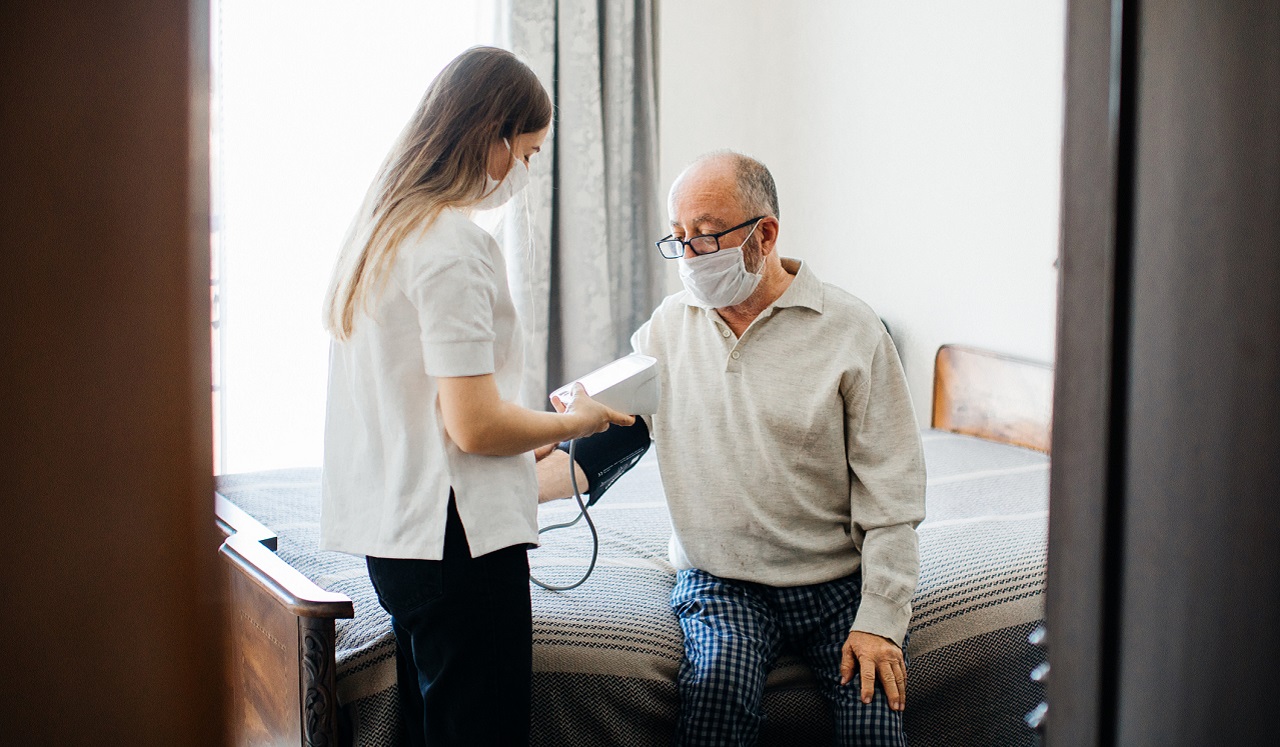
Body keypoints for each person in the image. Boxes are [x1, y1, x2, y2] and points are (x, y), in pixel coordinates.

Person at [539, 151, 925, 746]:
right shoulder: (668, 327)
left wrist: (882, 619)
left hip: (837, 583)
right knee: (717, 690)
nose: (688, 256)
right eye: (678, 237)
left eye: (706, 236)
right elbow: (600, 437)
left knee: (875, 718)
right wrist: (506, 476)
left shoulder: (853, 330)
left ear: (764, 234)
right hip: (721, 580)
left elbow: (893, 492)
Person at [319, 46, 633, 747]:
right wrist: (573, 418)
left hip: (398, 534)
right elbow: (472, 426)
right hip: (456, 543)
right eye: (528, 151)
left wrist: (531, 430)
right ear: (492, 137)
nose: (525, 172)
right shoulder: (452, 245)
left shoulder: (380, 233)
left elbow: (426, 408)